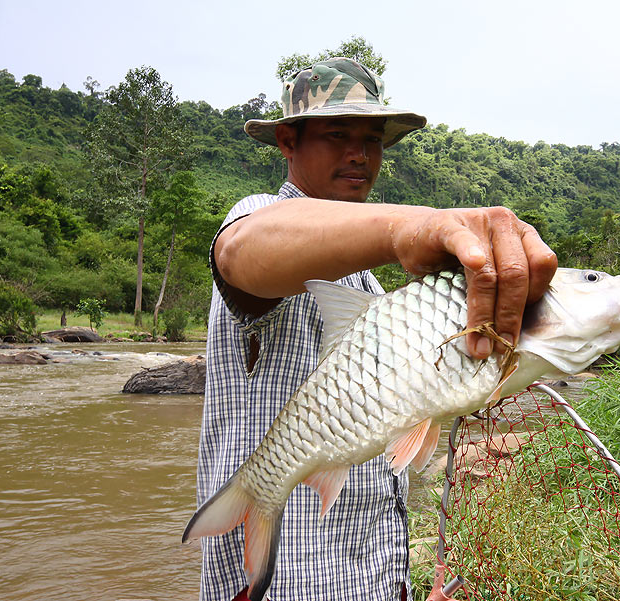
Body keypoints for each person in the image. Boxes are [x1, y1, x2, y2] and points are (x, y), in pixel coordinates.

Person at [196, 57, 558, 601]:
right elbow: (242, 250)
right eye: (337, 134)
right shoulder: (261, 216)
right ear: (287, 143)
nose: (359, 154)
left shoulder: (367, 282)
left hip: (372, 576)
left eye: (372, 139)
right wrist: (414, 226)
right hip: (287, 582)